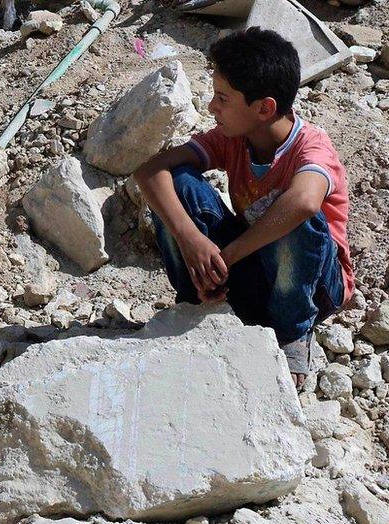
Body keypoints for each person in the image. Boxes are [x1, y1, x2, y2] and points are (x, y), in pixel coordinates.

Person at [132, 27, 353, 388]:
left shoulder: (312, 148)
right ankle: (200, 298)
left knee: (300, 217)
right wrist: (192, 241)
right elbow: (151, 171)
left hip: (312, 286)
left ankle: (292, 332)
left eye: (222, 98)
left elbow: (304, 201)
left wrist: (228, 255)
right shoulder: (233, 137)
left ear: (264, 108)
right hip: (254, 267)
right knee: (181, 182)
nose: (211, 107)